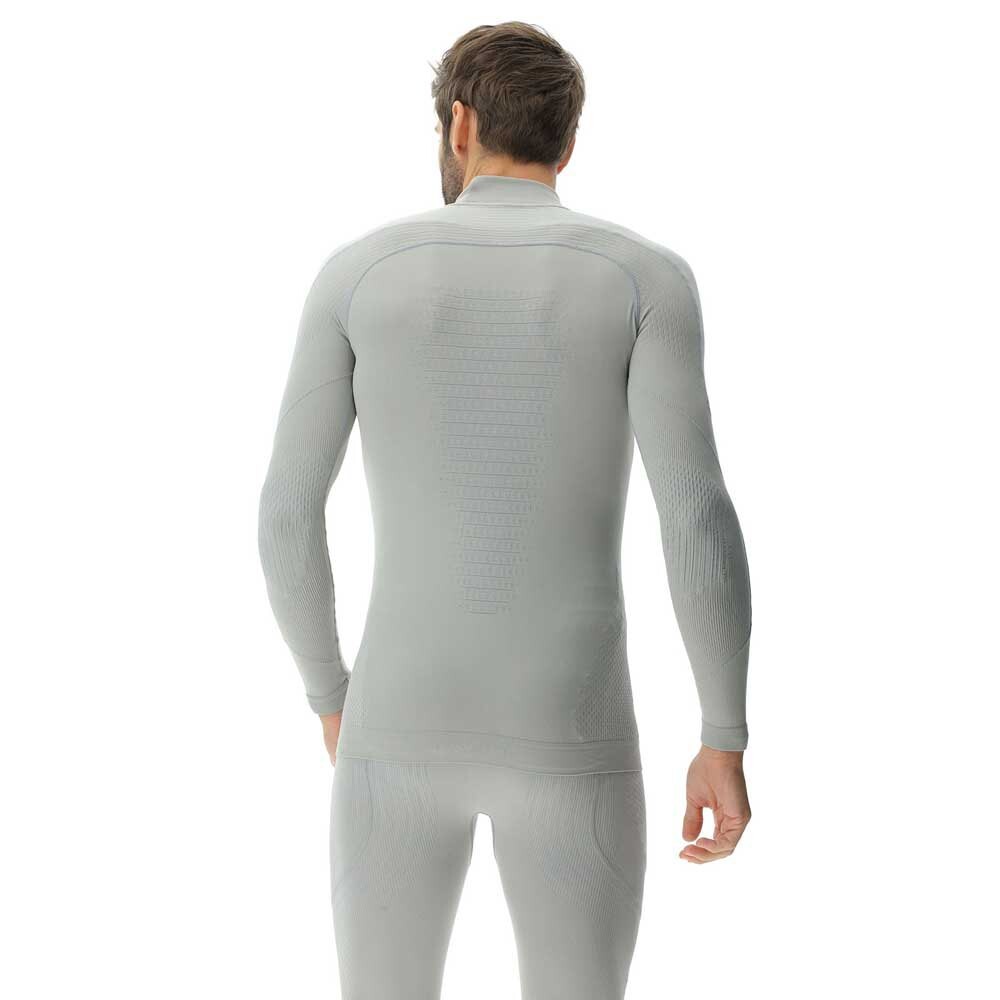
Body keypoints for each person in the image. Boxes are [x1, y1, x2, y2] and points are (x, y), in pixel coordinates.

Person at [258, 21, 752, 1000]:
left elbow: (287, 513)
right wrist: (722, 732)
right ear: (567, 141)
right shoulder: (642, 277)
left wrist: (330, 696)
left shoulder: (359, 273)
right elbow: (695, 515)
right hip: (573, 729)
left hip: (396, 722)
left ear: (460, 125)